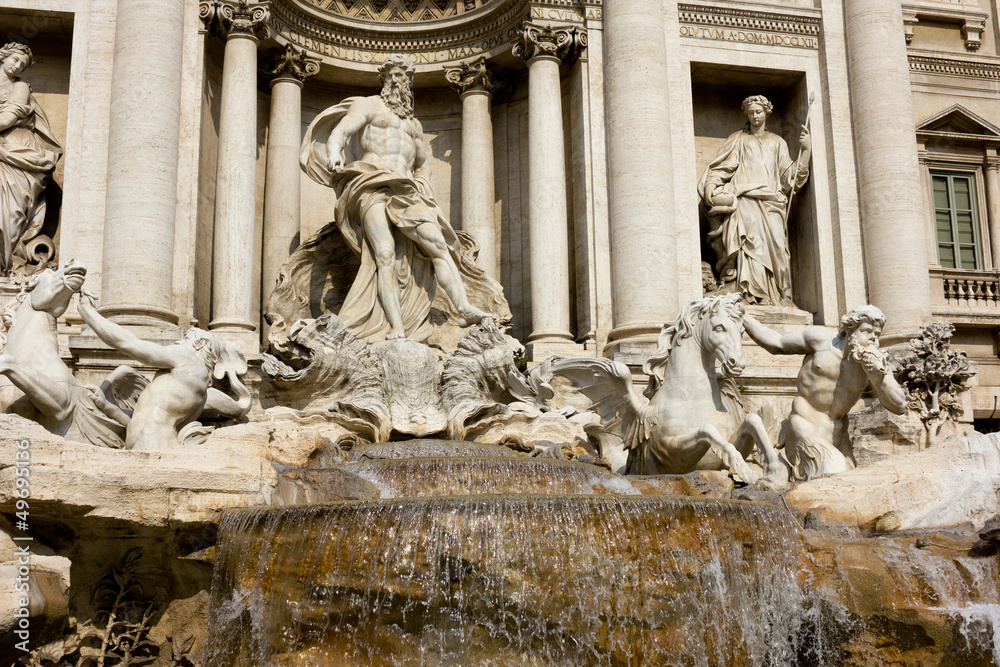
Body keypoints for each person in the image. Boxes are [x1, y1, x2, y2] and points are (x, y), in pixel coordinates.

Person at [300, 54, 489, 343]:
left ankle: (462, 308)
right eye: (393, 75)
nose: (398, 81)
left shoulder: (413, 124)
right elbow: (341, 131)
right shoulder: (370, 105)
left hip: (407, 188)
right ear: (384, 79)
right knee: (384, 254)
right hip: (371, 182)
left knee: (438, 243)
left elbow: (422, 162)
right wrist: (336, 152)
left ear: (410, 83)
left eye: (403, 76)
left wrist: (424, 184)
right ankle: (396, 326)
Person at [742, 305, 908, 480]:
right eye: (867, 331)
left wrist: (878, 376)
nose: (873, 338)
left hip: (838, 437)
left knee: (851, 483)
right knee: (837, 474)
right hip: (805, 425)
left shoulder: (876, 363)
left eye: (877, 334)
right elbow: (777, 343)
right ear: (849, 331)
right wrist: (743, 317)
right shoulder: (822, 340)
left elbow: (899, 406)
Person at [76, 293, 250, 450]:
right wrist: (106, 406)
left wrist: (88, 313)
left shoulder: (189, 359)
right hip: (149, 447)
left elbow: (129, 344)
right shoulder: (193, 388)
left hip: (153, 447)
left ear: (198, 345)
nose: (177, 343)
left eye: (185, 339)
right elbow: (141, 419)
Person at [698, 94, 810, 306]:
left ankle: (777, 296)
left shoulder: (778, 143)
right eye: (750, 113)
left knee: (778, 247)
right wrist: (711, 188)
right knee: (750, 245)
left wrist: (805, 151)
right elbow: (721, 168)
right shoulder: (738, 139)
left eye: (758, 112)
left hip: (772, 203)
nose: (755, 116)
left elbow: (790, 180)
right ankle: (749, 292)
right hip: (745, 200)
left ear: (766, 112)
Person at [0, 42, 62, 275]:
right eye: (15, 60)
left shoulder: (20, 88)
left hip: (16, 150)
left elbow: (6, 119)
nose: (17, 66)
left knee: (9, 212)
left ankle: (4, 266)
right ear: (3, 56)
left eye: (23, 64)